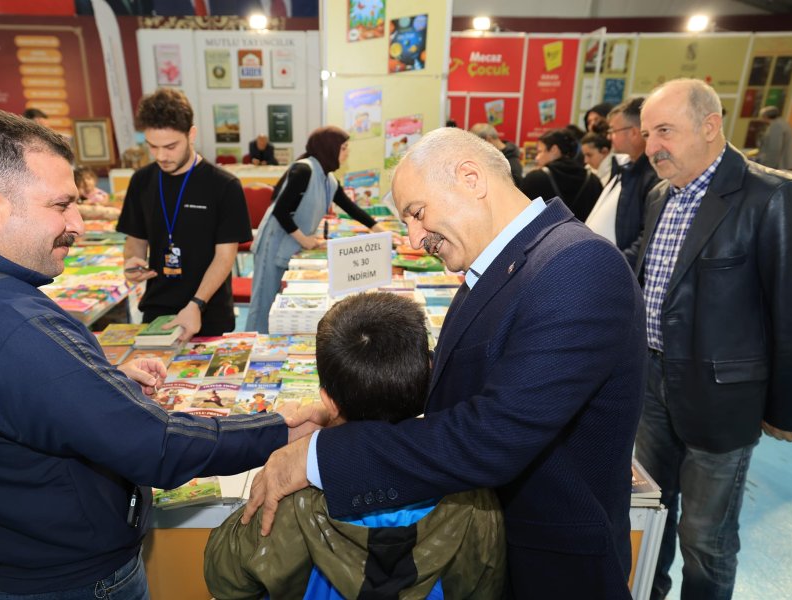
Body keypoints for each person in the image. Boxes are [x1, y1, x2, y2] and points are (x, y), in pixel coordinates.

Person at [0, 110, 318, 598]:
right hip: (69, 579)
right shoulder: (12, 324)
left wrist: (95, 379)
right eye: (60, 205)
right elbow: (154, 444)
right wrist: (282, 427)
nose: (77, 224)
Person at [242, 127, 647, 598]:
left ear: (471, 177)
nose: (414, 238)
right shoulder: (503, 263)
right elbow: (472, 377)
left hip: (551, 567)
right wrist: (348, 413)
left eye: (417, 213)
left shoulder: (577, 265)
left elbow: (494, 434)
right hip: (494, 550)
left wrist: (320, 459)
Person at [205, 293, 506, 599]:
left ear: (328, 401)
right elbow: (485, 584)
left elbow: (225, 578)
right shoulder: (470, 494)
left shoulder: (293, 496)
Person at [634, 78, 792, 600]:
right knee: (653, 514)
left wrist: (788, 411)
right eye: (645, 134)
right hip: (652, 386)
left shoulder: (772, 197)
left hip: (721, 396)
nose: (652, 146)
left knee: (705, 536)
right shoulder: (660, 195)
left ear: (710, 126)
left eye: (665, 130)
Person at [117, 88, 252, 340]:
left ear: (191, 134)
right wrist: (132, 262)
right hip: (157, 311)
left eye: (170, 146)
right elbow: (135, 240)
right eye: (152, 147)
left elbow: (225, 257)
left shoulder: (223, 185)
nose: (161, 156)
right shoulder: (141, 181)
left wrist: (196, 304)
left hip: (207, 311)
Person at [245, 126, 384, 333]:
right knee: (264, 303)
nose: (347, 153)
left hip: (293, 244)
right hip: (273, 245)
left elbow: (349, 207)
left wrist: (379, 229)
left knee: (282, 305)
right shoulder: (304, 170)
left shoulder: (328, 178)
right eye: (344, 147)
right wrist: (305, 240)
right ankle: (254, 343)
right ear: (329, 148)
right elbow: (280, 211)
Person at [585, 97, 660, 268]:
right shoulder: (625, 167)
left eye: (613, 131)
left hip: (615, 269)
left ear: (633, 132)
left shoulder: (652, 176)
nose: (609, 137)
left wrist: (616, 265)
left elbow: (647, 235)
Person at [520, 128, 602, 222]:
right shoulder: (593, 180)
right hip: (585, 235)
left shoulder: (534, 179)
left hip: (546, 236)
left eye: (539, 152)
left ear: (554, 150)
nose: (537, 158)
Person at [470, 122, 523, 187]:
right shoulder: (490, 157)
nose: (475, 150)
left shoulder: (513, 165)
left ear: (488, 140)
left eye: (477, 145)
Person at [756, 105, 792, 171]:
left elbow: (774, 148)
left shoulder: (776, 126)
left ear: (765, 116)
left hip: (781, 165)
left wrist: (769, 167)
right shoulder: (781, 123)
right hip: (786, 164)